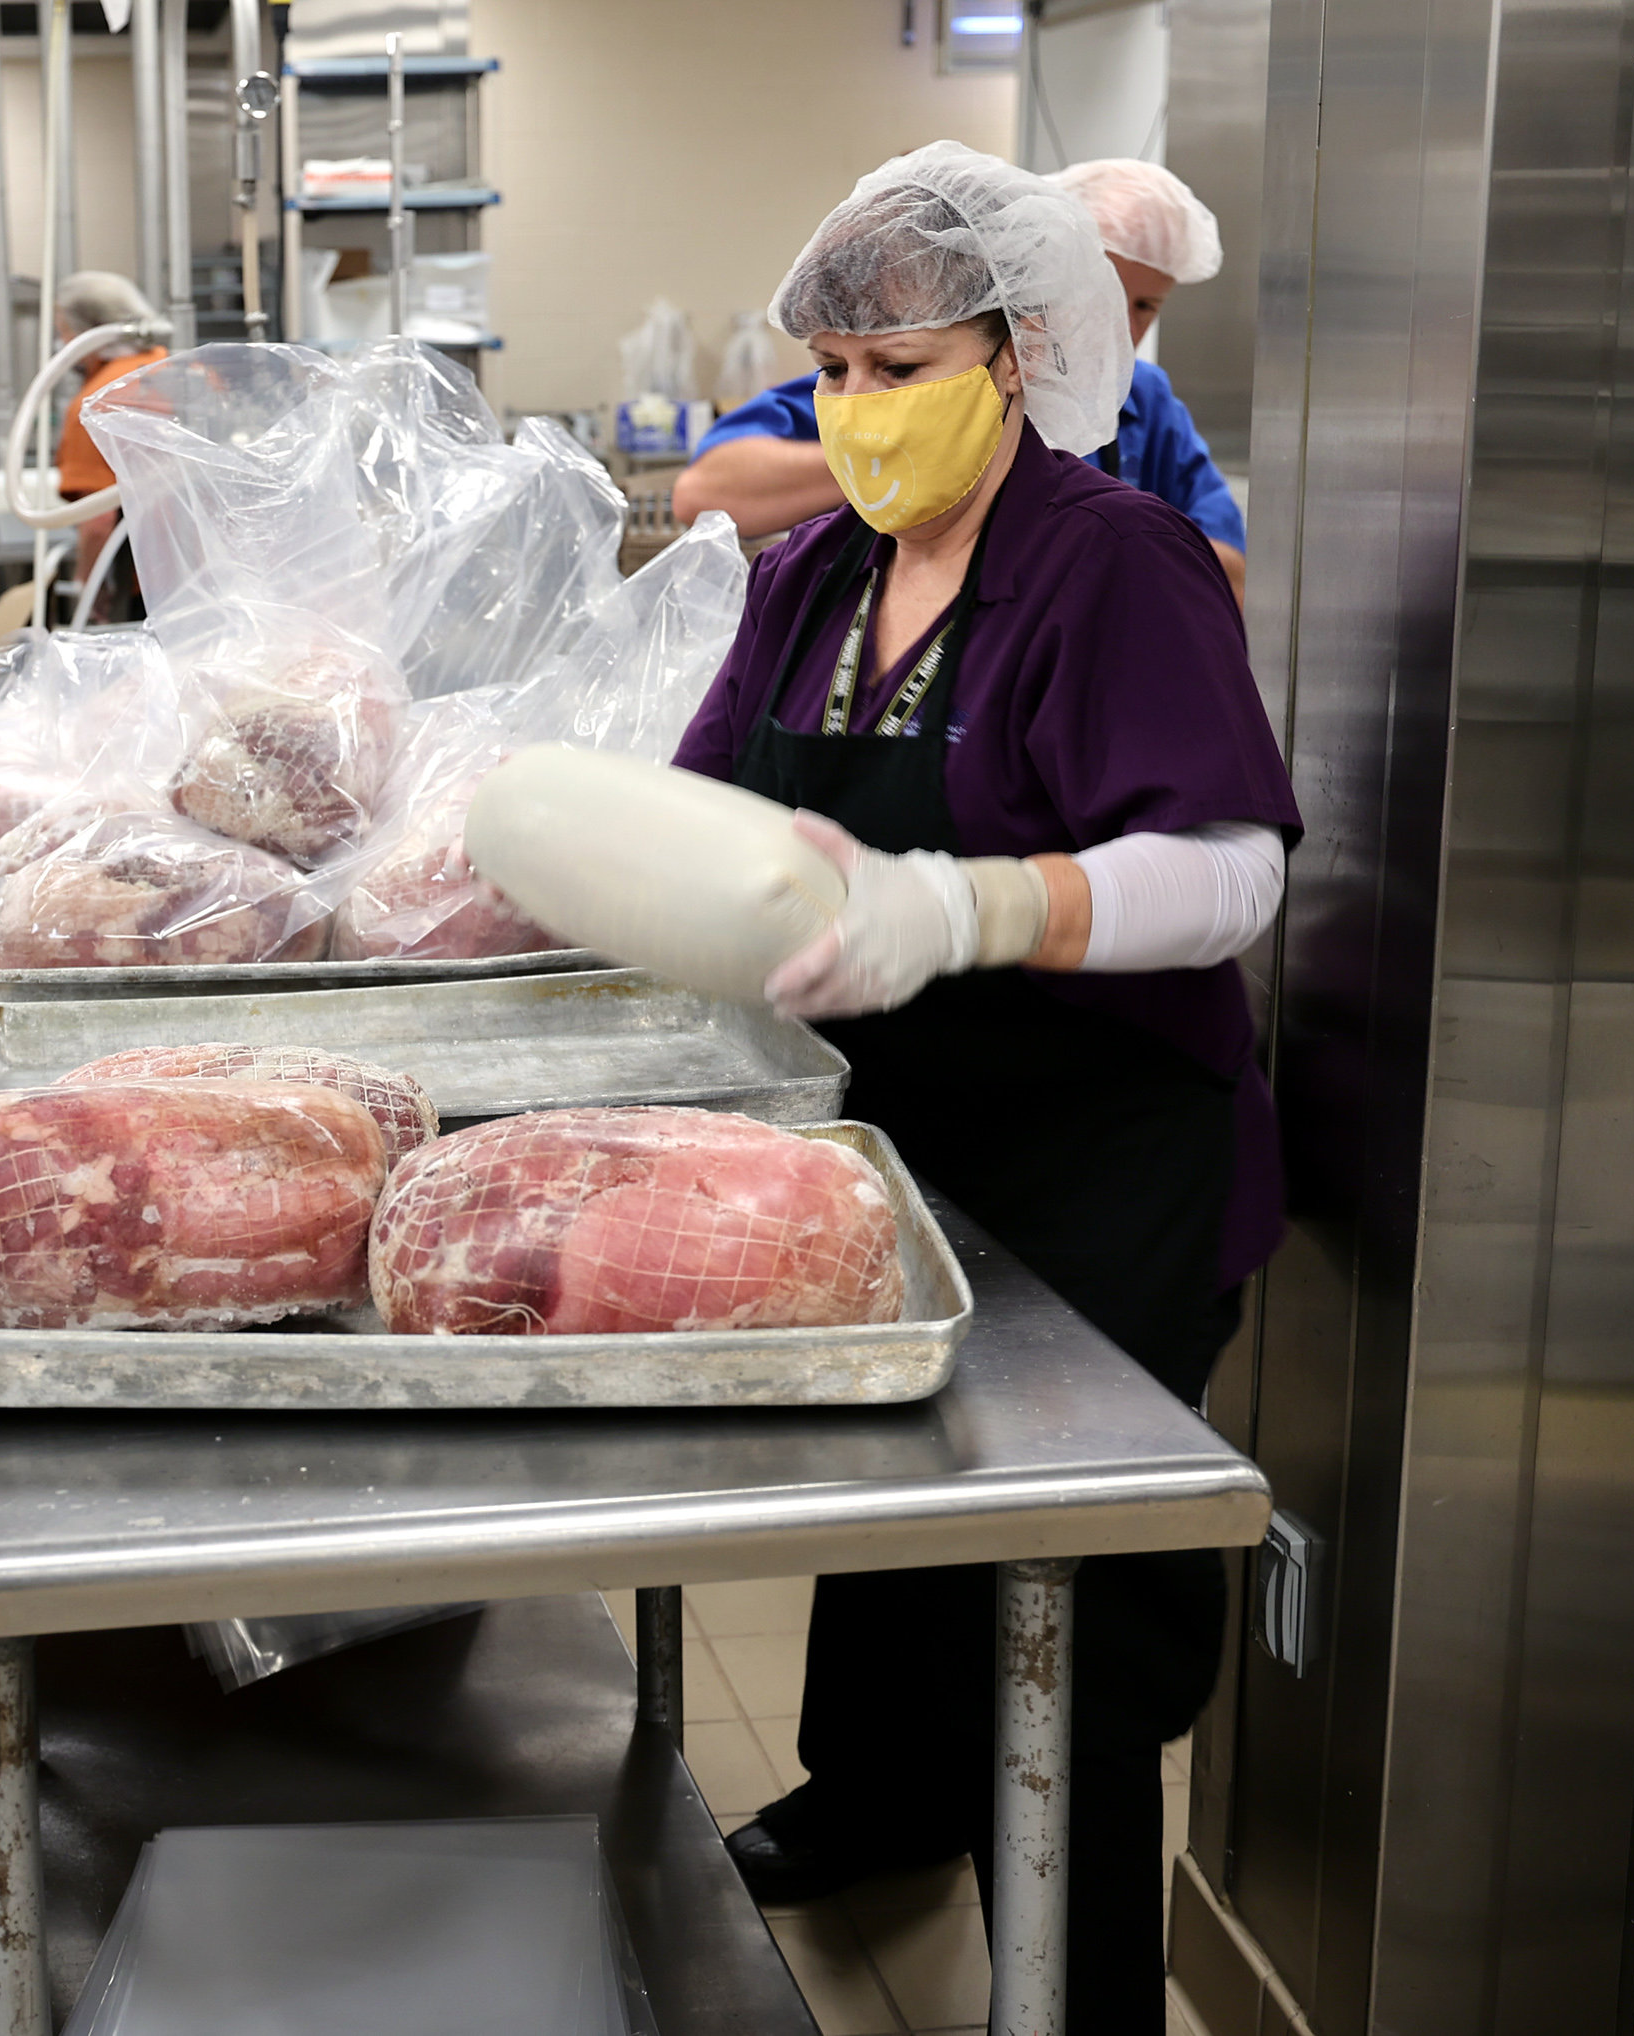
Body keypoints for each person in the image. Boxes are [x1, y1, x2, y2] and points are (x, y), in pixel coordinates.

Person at [673, 143, 1298, 2034]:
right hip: (901, 1157)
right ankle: (875, 1812)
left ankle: (1080, 1978)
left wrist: (972, 903)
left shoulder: (1110, 561)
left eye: (897, 370)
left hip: (1109, 1173)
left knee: (1066, 1623)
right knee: (898, 1534)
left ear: (1022, 357)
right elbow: (706, 808)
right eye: (833, 374)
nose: (856, 412)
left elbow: (1233, 871)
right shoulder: (812, 576)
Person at [675, 156, 1247, 602]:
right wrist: (894, 442)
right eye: (1098, 291)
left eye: (1143, 305)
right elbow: (705, 495)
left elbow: (1227, 573)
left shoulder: (1143, 416)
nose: (1117, 325)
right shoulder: (796, 573)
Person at [49, 269, 168, 615]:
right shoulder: (168, 368)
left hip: (150, 586)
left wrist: (90, 584)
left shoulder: (98, 401)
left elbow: (98, 519)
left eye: (64, 331)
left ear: (90, 332)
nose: (62, 344)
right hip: (211, 574)